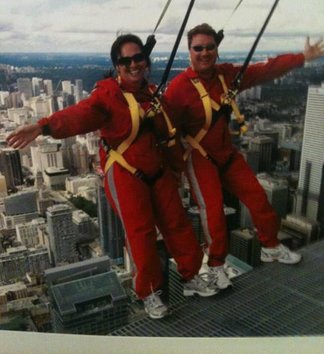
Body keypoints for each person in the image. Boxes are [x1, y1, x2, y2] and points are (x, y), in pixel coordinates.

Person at [6, 33, 218, 320]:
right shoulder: (108, 95)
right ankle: (149, 293)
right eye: (125, 61)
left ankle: (192, 276)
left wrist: (178, 167)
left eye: (138, 58)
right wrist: (42, 127)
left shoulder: (153, 95)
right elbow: (79, 115)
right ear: (117, 66)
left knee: (177, 224)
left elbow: (169, 135)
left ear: (146, 60)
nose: (133, 65)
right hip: (125, 173)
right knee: (140, 233)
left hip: (158, 171)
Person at [164, 23, 324, 289]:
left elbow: (263, 70)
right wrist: (172, 169)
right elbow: (164, 129)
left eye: (210, 47)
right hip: (199, 156)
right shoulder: (178, 88)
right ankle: (216, 265)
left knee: (258, 198)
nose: (204, 53)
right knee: (214, 212)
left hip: (226, 153)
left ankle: (271, 245)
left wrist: (301, 58)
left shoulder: (226, 75)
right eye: (198, 48)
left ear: (216, 49)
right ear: (189, 51)